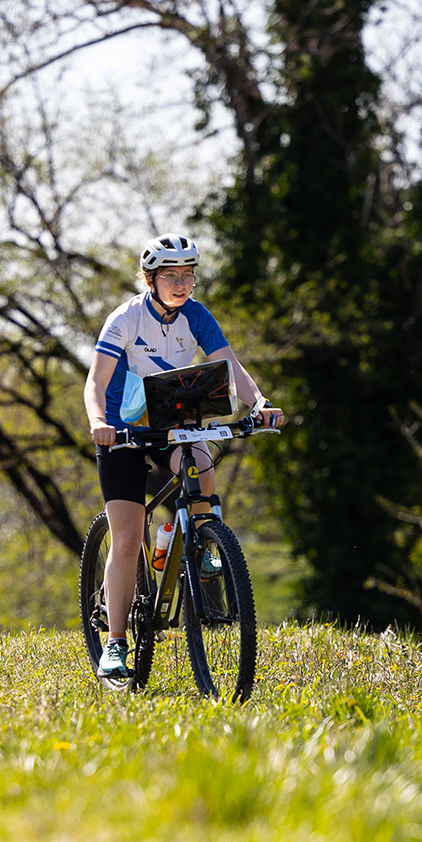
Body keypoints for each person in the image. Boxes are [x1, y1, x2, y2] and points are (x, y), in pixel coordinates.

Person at [83, 233, 284, 681]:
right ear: (150, 279)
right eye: (171, 276)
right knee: (127, 537)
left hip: (172, 425)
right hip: (123, 432)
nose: (181, 284)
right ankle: (115, 643)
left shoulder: (196, 315)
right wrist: (99, 421)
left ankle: (194, 537)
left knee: (202, 462)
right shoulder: (126, 318)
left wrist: (258, 403)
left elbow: (229, 366)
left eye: (188, 275)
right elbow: (95, 382)